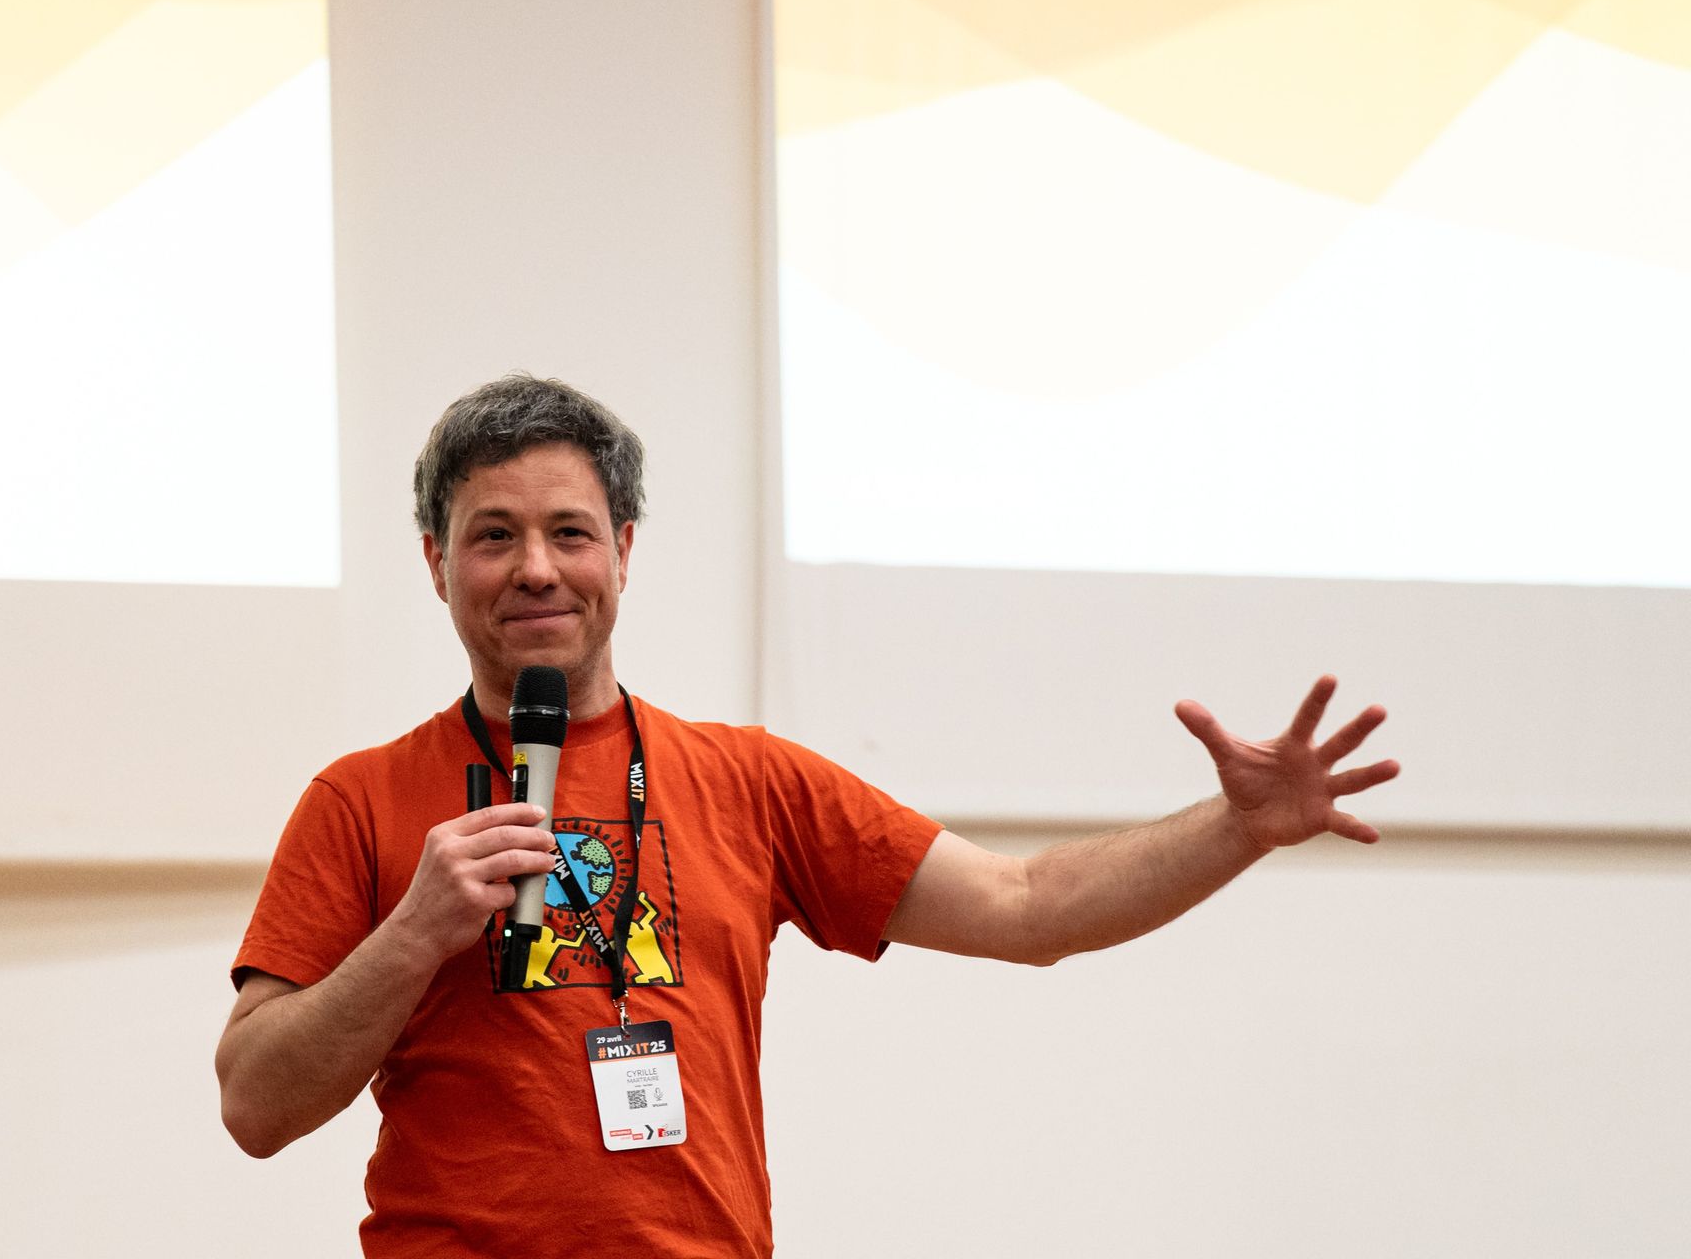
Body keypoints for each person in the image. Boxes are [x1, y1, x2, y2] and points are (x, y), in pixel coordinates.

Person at [215, 375, 1399, 1257]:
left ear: (622, 551)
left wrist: (1237, 828)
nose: (536, 567)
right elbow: (256, 1105)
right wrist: (414, 933)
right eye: (494, 536)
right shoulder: (360, 800)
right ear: (436, 562)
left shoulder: (750, 782)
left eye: (569, 531)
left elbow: (1028, 906)